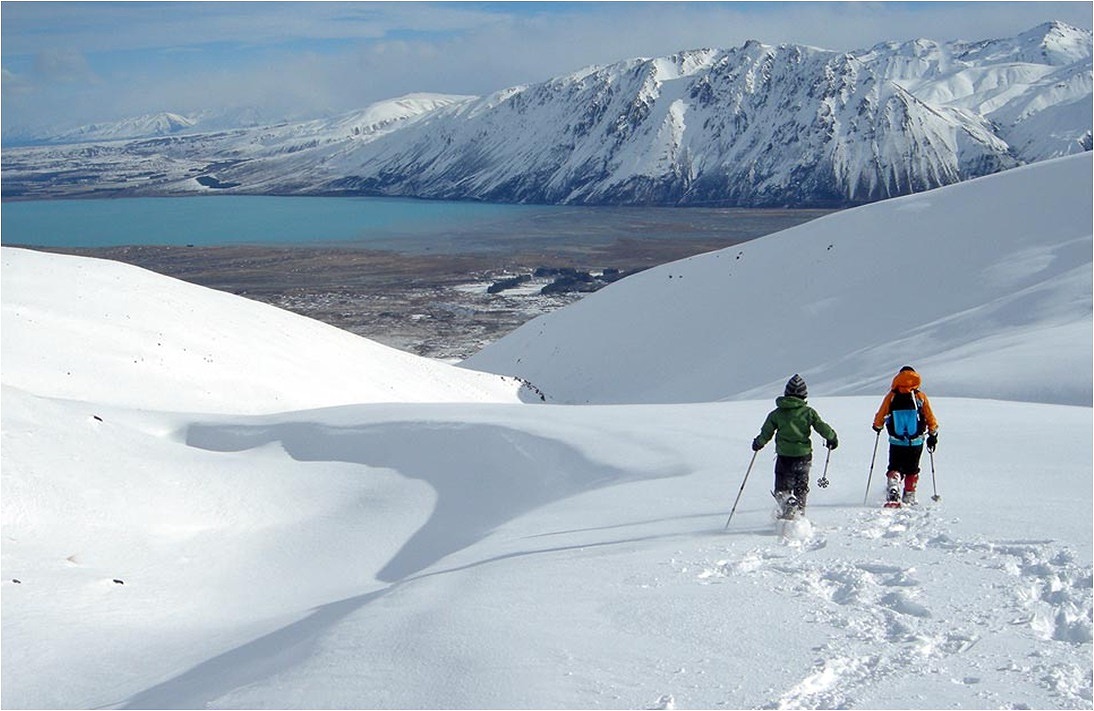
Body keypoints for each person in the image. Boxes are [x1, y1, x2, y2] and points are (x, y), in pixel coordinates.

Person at [752, 374, 838, 519]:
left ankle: (787, 505)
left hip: (784, 456)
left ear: (786, 392)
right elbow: (821, 427)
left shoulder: (776, 414)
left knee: (782, 487)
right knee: (801, 486)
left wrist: (758, 443)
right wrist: (832, 438)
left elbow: (766, 432)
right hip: (803, 455)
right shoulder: (808, 412)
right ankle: (799, 513)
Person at [871, 365, 939, 506]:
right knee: (912, 468)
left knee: (895, 465)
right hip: (916, 441)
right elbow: (930, 417)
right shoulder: (920, 396)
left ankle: (894, 483)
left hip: (896, 440)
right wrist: (933, 434)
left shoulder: (892, 396)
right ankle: (909, 495)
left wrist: (877, 426)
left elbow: (881, 414)